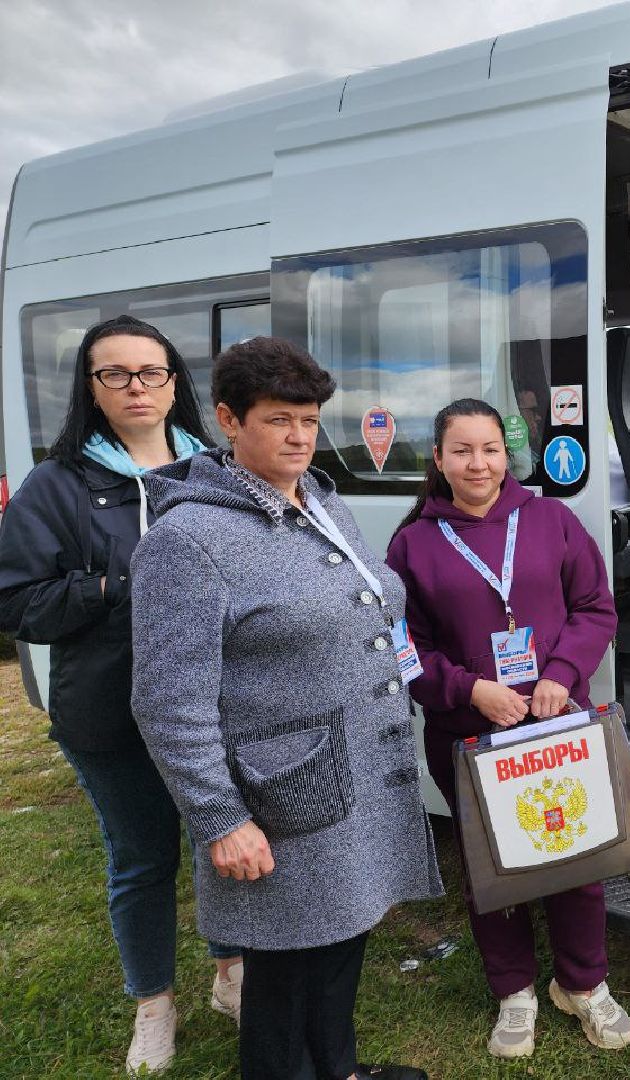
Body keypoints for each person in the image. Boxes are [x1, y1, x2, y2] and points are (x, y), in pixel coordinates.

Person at [130, 337, 441, 1080]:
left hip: (358, 773)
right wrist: (221, 819)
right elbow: (168, 704)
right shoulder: (189, 539)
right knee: (286, 975)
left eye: (309, 419)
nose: (301, 437)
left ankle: (339, 1069)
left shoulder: (322, 504)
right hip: (283, 797)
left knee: (340, 947)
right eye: (279, 420)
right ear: (230, 422)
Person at [0, 315, 238, 1075]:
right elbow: (16, 602)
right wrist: (115, 587)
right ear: (90, 388)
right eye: (116, 374)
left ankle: (231, 972)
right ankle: (153, 1006)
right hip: (110, 711)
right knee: (141, 859)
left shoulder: (218, 470)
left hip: (214, 707)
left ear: (175, 383)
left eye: (152, 372)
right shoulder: (57, 483)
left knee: (222, 844)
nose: (137, 387)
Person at [386, 399, 630, 1061]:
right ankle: (515, 990)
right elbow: (403, 646)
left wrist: (560, 671)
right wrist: (470, 689)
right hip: (470, 733)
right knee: (493, 865)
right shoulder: (413, 542)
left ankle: (583, 983)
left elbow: (594, 607)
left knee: (577, 855)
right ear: (438, 460)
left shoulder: (551, 520)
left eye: (490, 449)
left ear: (507, 454)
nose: (478, 463)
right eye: (461, 451)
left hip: (557, 721)